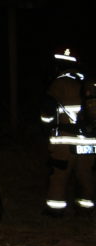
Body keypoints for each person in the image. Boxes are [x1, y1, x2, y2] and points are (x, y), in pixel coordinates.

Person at [41, 47, 95, 216]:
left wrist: (46, 127)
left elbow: (47, 111)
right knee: (86, 175)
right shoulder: (89, 83)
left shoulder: (59, 83)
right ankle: (86, 209)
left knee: (59, 175)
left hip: (65, 141)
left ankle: (55, 211)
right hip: (90, 141)